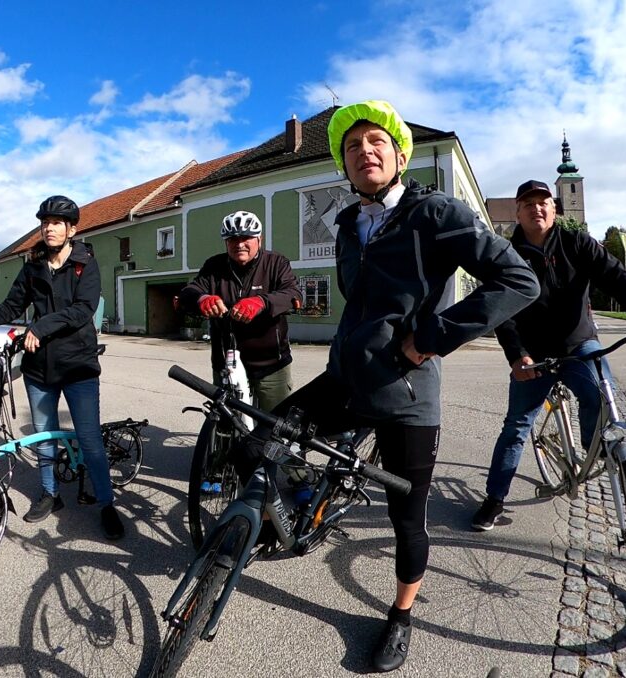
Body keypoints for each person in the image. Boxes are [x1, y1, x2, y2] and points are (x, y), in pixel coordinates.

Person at [237, 100, 539, 672]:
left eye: (376, 142)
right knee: (257, 442)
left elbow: (518, 280)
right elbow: (359, 301)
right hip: (346, 377)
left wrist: (430, 338)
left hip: (407, 393)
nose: (364, 152)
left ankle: (401, 616)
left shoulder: (436, 213)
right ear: (344, 169)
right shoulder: (349, 223)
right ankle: (293, 515)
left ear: (399, 155)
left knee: (407, 517)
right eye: (352, 147)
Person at [471, 180, 626, 531]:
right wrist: (517, 356)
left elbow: (614, 276)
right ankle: (494, 499)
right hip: (533, 356)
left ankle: (595, 450)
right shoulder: (506, 253)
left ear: (554, 208)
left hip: (579, 344)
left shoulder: (576, 243)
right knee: (516, 426)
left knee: (600, 395)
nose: (537, 209)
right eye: (528, 204)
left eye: (544, 202)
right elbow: (501, 311)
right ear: (517, 212)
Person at [0, 195, 124, 541]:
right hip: (39, 369)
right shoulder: (33, 266)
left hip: (78, 365)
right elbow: (12, 305)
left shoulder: (84, 264)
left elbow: (82, 310)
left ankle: (107, 503)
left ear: (71, 229)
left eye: (57, 223)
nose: (49, 228)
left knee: (90, 440)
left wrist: (39, 328)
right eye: (45, 222)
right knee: (45, 437)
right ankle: (50, 494)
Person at [177, 210, 301, 412]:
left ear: (259, 239)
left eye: (246, 238)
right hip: (226, 362)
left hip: (270, 362)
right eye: (232, 239)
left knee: (274, 425)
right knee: (227, 422)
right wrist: (202, 299)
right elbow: (189, 292)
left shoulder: (276, 263)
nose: (239, 243)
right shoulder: (214, 266)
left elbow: (293, 294)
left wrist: (261, 302)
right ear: (226, 242)